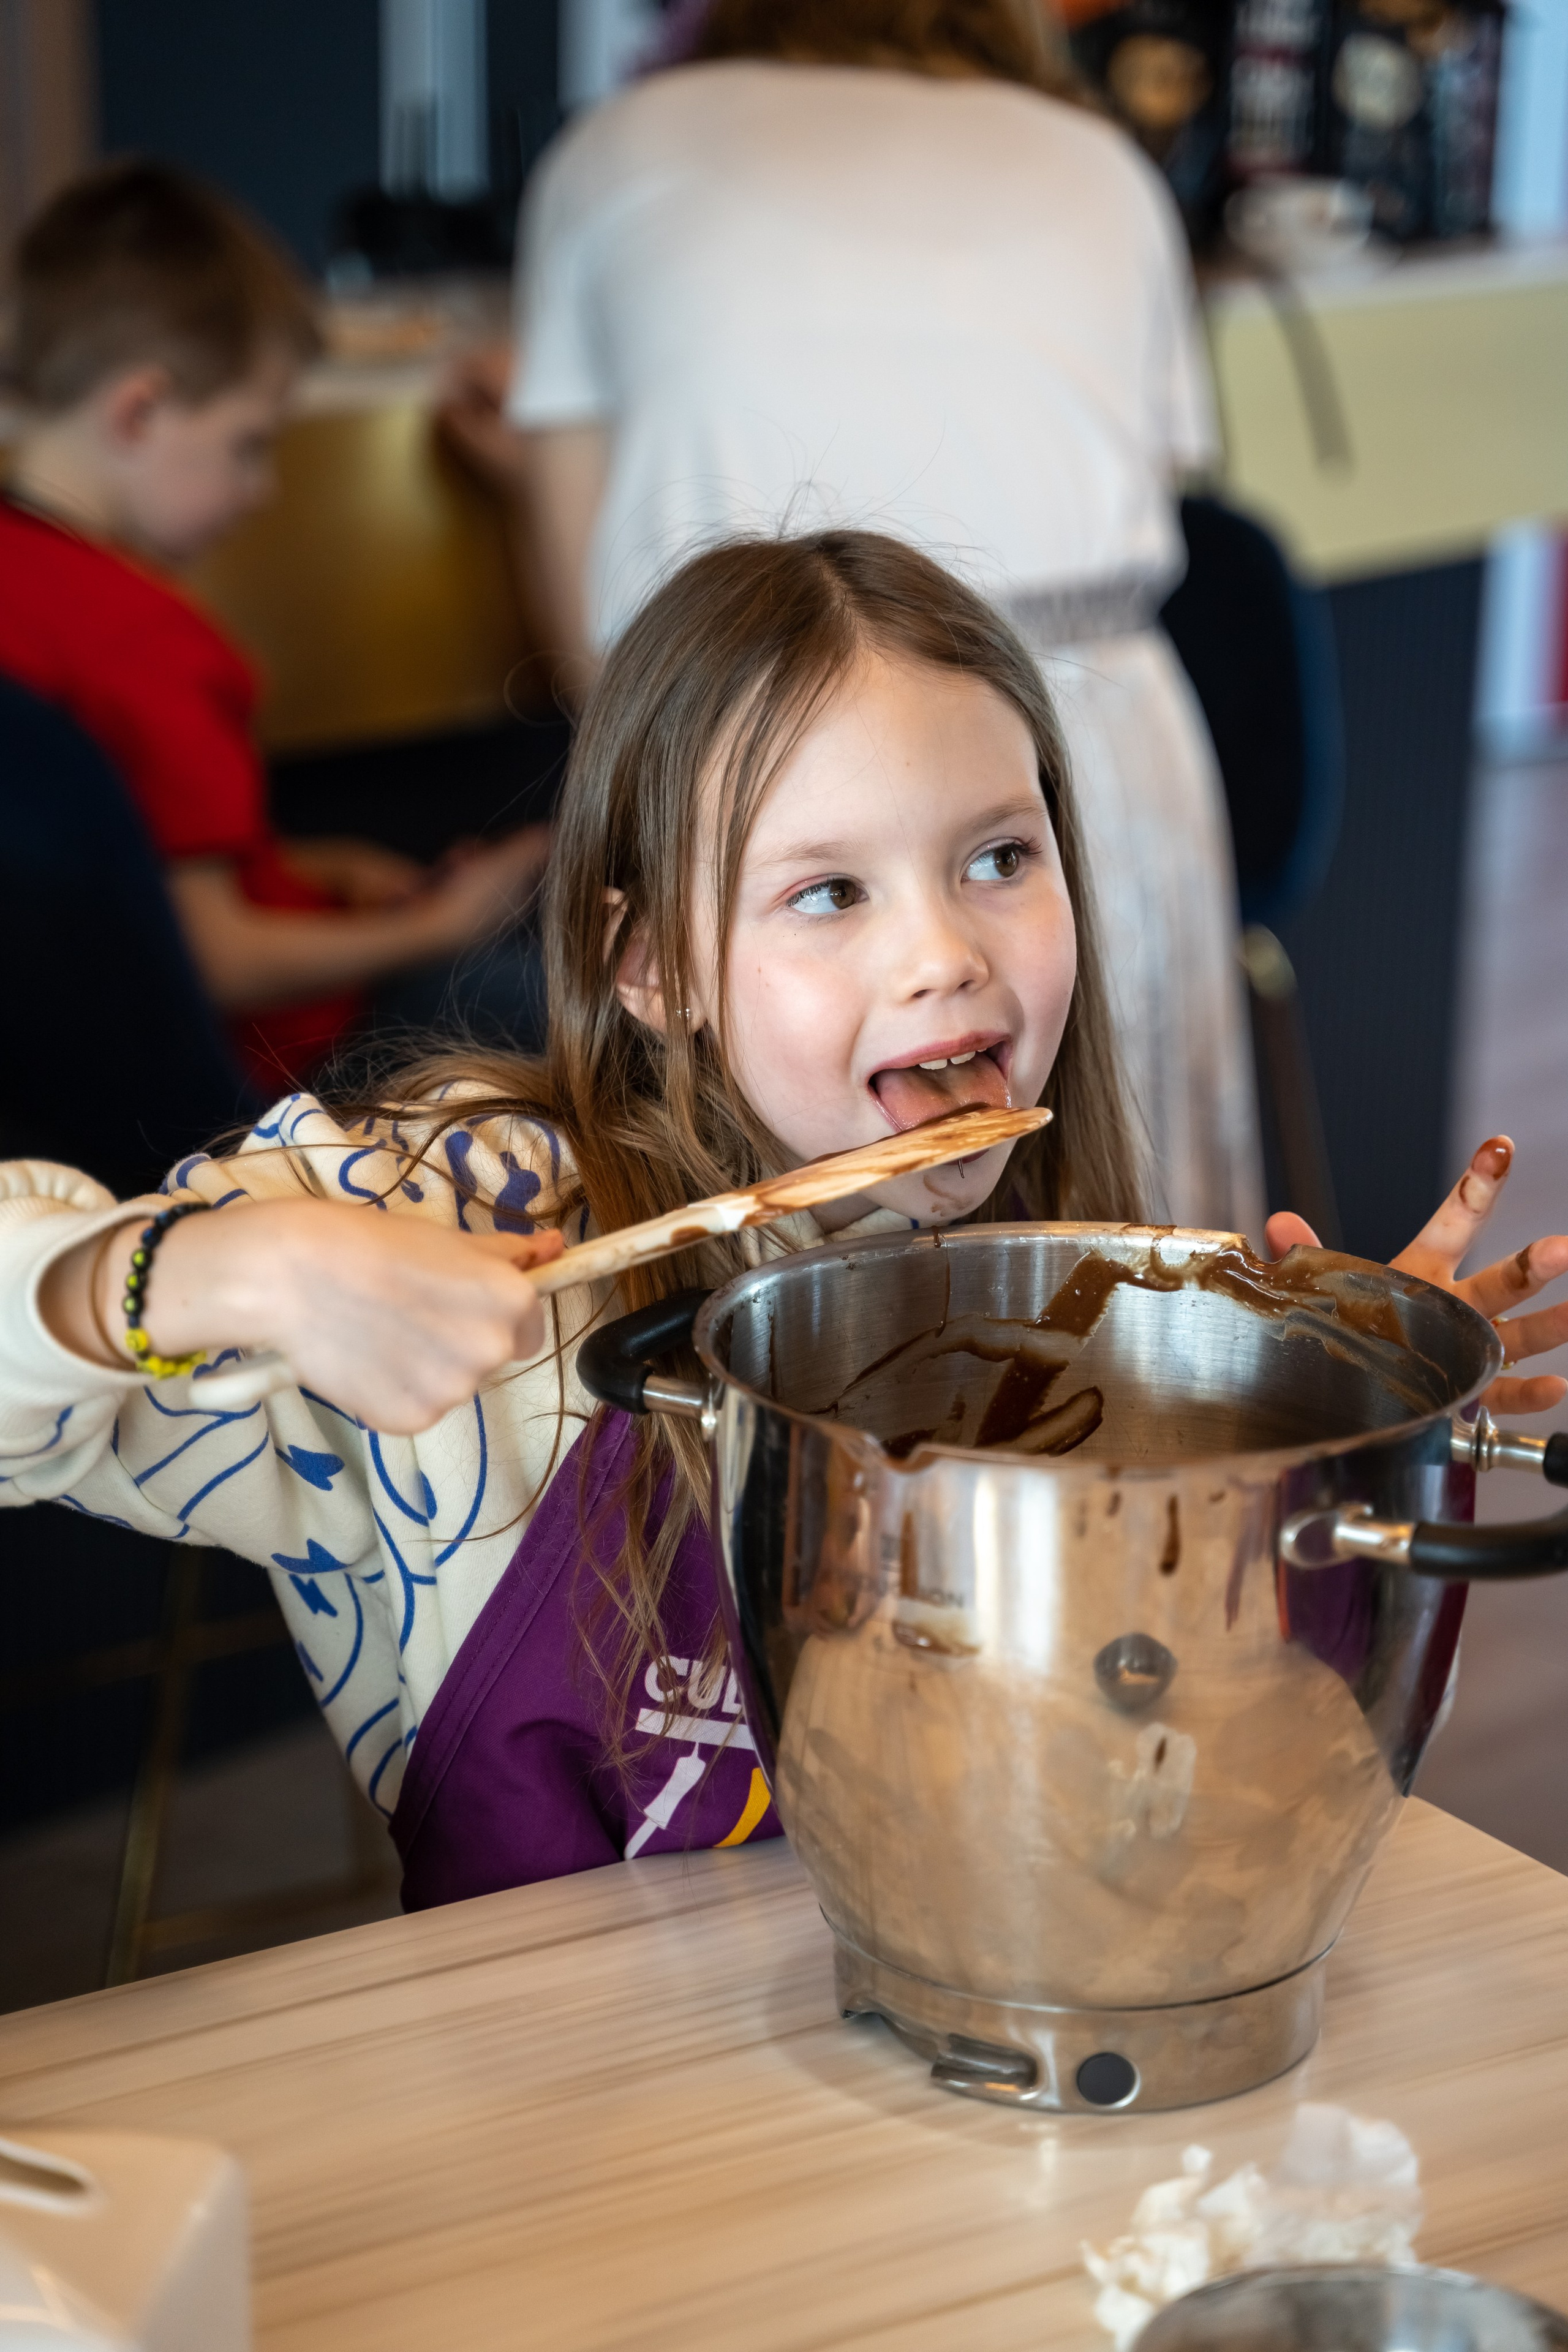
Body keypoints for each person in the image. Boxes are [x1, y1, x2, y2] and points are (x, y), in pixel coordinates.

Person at [1, 533, 1562, 1909]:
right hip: (549, 2117)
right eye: (829, 893)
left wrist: (1339, 1444)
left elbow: (1183, 1795)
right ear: (648, 965)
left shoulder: (1090, 1302)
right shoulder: (450, 1212)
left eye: (999, 860)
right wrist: (220, 1269)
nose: (946, 951)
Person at [442, 0, 1259, 1232]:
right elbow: (1148, 472)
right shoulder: (1096, 159)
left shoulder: (611, 155)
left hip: (790, 751)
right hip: (1090, 734)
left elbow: (592, 646)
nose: (940, 955)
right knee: (1124, 1244)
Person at [0, 161, 551, 1091]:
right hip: (282, 1069)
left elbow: (138, 869)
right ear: (138, 410)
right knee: (565, 1014)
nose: (261, 493)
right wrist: (438, 926)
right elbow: (215, 958)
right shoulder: (144, 641)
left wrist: (322, 872)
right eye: (247, 445)